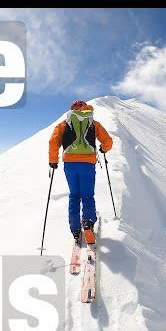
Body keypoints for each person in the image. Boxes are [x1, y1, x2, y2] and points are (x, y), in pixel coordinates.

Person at [49, 100, 113, 244]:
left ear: (72, 110)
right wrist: (103, 149)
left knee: (74, 195)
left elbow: (53, 142)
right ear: (85, 108)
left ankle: (75, 229)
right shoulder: (93, 123)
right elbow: (108, 141)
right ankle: (88, 223)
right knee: (87, 195)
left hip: (70, 165)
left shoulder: (64, 124)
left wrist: (53, 161)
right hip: (88, 164)